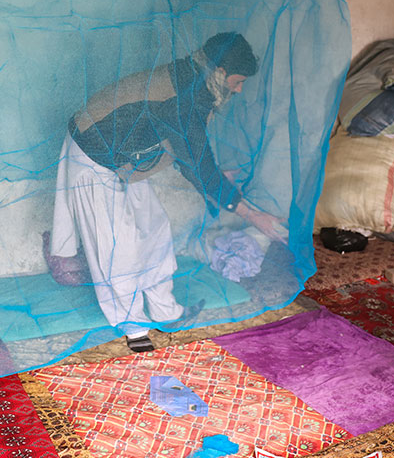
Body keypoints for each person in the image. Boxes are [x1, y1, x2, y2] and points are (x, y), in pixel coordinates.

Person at [49, 32, 286, 352]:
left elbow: (188, 152)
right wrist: (251, 214)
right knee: (118, 246)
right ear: (219, 72)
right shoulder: (185, 97)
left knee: (155, 228)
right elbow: (195, 158)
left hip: (128, 156)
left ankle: (165, 311)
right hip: (95, 154)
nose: (240, 88)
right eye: (238, 80)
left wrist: (213, 177)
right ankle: (133, 328)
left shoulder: (195, 79)